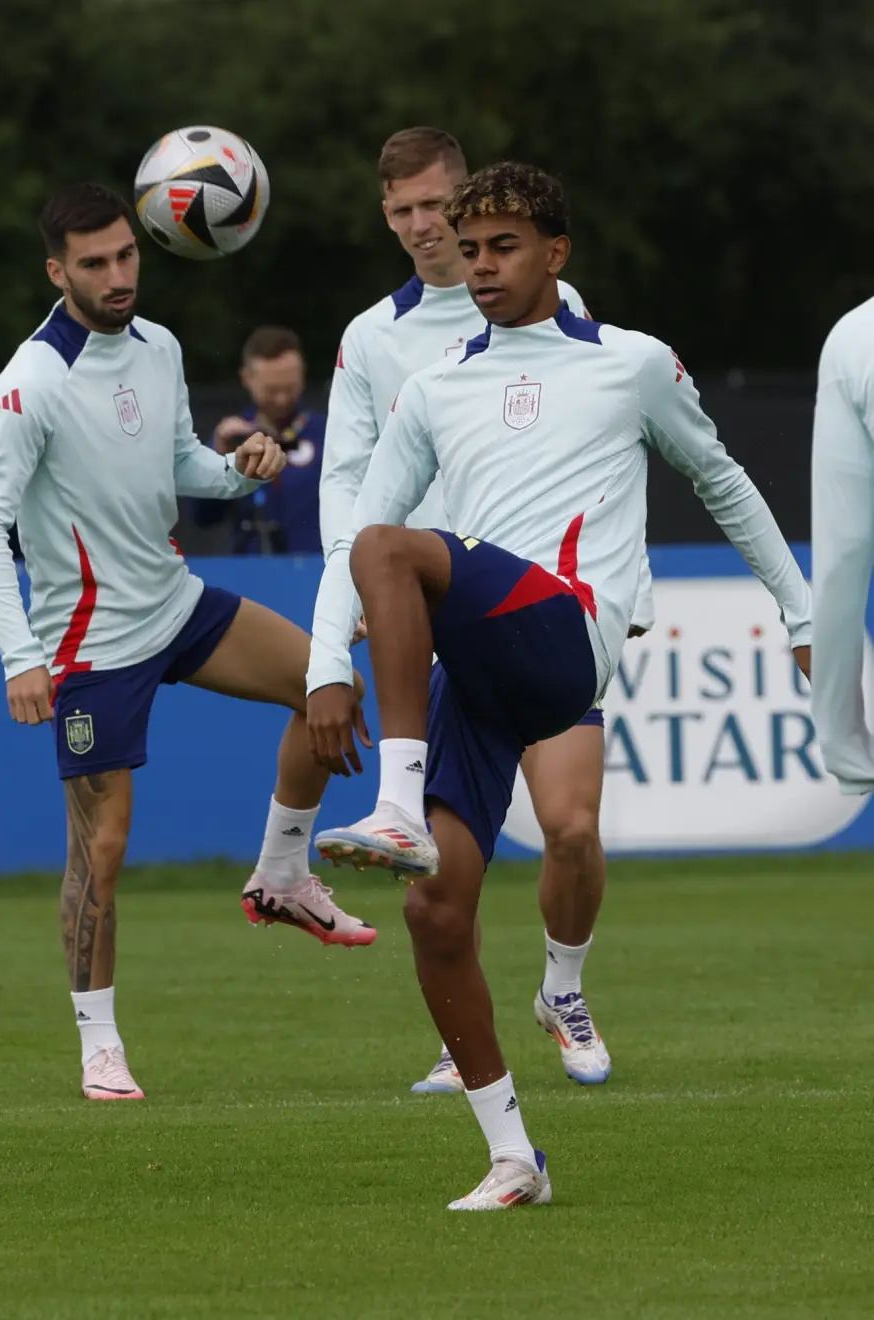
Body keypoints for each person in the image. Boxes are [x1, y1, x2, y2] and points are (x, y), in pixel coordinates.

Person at [306, 162, 811, 1209]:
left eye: (504, 247)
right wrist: (324, 670)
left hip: (569, 635)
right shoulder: (434, 383)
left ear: (556, 255)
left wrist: (801, 613)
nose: (482, 266)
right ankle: (512, 1157)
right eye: (471, 246)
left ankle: (401, 809)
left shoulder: (630, 364)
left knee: (407, 556)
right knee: (436, 917)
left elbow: (721, 478)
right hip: (483, 664)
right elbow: (355, 543)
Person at [0, 183, 374, 1106]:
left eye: (126, 255)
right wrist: (20, 655)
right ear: (57, 271)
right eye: (95, 263)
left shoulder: (160, 346)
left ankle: (281, 875)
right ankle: (99, 1044)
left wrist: (237, 468)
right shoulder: (28, 385)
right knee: (100, 849)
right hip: (89, 644)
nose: (117, 276)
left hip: (177, 603)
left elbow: (180, 460)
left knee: (325, 680)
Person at [321, 125, 632, 1095]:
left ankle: (563, 992)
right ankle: (472, 1051)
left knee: (572, 828)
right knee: (448, 873)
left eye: (436, 208)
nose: (425, 228)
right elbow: (350, 485)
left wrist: (626, 587)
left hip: (548, 605)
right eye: (404, 211)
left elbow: (610, 437)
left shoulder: (558, 308)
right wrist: (352, 607)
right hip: (438, 617)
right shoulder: (371, 338)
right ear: (389, 218)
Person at [811, 295, 874, 790]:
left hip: (858, 338)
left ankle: (849, 756)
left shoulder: (853, 332)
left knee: (839, 560)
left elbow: (840, 562)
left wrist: (847, 751)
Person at [198, 326, 325, 554]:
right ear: (246, 378)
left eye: (290, 388)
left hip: (317, 573)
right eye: (271, 390)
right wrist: (219, 459)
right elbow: (202, 516)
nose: (281, 399)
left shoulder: (327, 433)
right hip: (252, 577)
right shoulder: (235, 438)